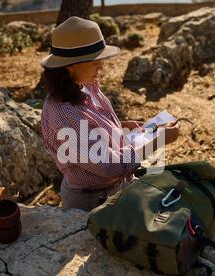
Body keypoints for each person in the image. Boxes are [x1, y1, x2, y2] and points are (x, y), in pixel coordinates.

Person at [40, 16, 180, 211]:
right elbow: (110, 166)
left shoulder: (84, 85)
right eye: (95, 61)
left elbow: (89, 128)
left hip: (113, 188)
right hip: (93, 201)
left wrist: (120, 125)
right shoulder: (64, 115)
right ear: (71, 66)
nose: (102, 65)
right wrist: (159, 140)